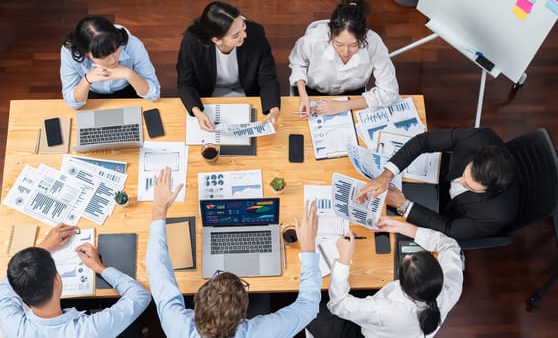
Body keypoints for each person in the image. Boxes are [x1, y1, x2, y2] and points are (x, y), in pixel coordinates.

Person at [146, 167, 321, 337]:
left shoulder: (178, 328)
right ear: (242, 318)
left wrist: (159, 209)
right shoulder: (262, 333)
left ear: (195, 310)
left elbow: (158, 272)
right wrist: (308, 247)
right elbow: (308, 306)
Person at [307, 218, 464, 338]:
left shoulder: (384, 310)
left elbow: (338, 304)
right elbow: (450, 245)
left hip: (369, 332)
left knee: (311, 313)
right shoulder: (451, 285)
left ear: (403, 286)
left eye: (405, 260)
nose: (407, 255)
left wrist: (343, 260)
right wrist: (403, 227)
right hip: (397, 329)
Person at [358, 127, 520, 240]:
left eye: (469, 186)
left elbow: (449, 229)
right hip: (438, 179)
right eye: (465, 174)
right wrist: (387, 175)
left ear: (489, 191)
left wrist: (403, 205)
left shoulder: (496, 215)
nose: (460, 181)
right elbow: (424, 141)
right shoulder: (478, 138)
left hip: (449, 212)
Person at [0, 223, 151, 337]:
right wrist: (99, 267)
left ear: (17, 292)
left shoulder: (12, 326)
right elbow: (140, 295)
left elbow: (6, 286)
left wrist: (42, 248)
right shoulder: (89, 330)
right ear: (57, 280)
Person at [288, 0, 399, 118]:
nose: (345, 52)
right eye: (339, 44)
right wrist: (303, 95)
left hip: (353, 96)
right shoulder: (314, 40)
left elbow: (389, 92)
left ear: (363, 36)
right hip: (313, 92)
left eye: (354, 45)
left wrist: (343, 105)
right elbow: (298, 63)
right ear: (331, 34)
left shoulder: (374, 44)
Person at [177, 1, 281, 132]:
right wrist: (197, 112)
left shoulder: (256, 34)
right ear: (216, 40)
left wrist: (274, 109)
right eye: (236, 35)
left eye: (243, 26)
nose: (244, 35)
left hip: (246, 93)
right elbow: (185, 83)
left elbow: (268, 77)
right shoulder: (192, 42)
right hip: (209, 97)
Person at [60, 15, 160, 109]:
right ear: (85, 53)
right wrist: (86, 80)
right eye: (102, 56)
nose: (113, 60)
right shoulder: (69, 53)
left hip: (130, 88)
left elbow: (154, 94)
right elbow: (71, 103)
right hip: (92, 93)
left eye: (115, 49)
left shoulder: (133, 44)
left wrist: (129, 74)